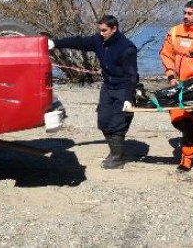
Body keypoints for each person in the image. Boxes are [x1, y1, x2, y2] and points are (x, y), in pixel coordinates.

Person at [48, 15, 138, 169]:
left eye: (104, 30)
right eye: (100, 30)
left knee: (118, 124)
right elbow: (79, 42)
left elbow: (132, 76)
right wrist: (55, 43)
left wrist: (129, 98)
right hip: (108, 88)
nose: (101, 33)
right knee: (103, 121)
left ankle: (117, 158)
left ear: (114, 29)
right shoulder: (99, 41)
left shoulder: (127, 48)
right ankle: (115, 152)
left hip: (123, 89)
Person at [159, 0, 193, 172]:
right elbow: (166, 53)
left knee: (189, 121)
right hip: (179, 84)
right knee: (176, 118)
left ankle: (187, 159)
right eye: (184, 12)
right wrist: (170, 74)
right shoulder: (175, 31)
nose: (185, 16)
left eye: (189, 13)